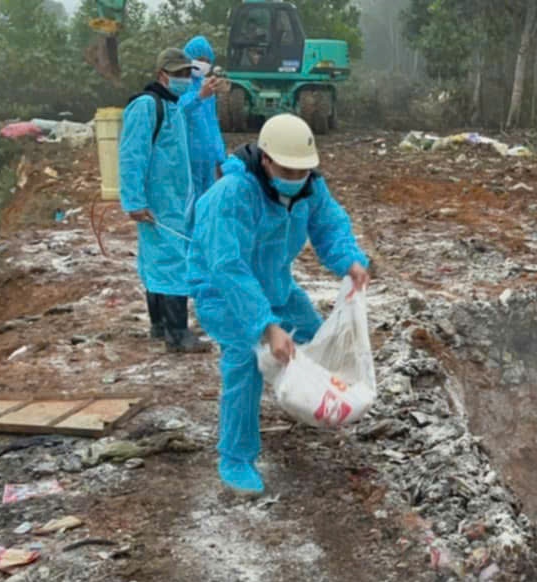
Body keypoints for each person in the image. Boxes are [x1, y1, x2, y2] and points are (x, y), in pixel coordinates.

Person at [189, 114, 370, 494]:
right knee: (246, 361)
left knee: (315, 337)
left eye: (303, 171)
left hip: (276, 283)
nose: (296, 178)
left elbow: (330, 226)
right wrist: (266, 327)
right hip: (223, 290)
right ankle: (235, 457)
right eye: (288, 171)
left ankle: (313, 399)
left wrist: (350, 261)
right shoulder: (232, 195)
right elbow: (228, 266)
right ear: (266, 160)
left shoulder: (309, 187)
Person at [118, 47, 210, 354]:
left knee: (157, 261)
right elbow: (132, 156)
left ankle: (159, 325)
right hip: (158, 202)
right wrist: (134, 200)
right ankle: (178, 333)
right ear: (162, 75)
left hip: (173, 201)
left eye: (187, 73)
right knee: (172, 262)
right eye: (178, 74)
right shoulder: (147, 106)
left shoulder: (173, 108)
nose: (184, 79)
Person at [181, 36, 228, 196]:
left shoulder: (207, 87)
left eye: (208, 61)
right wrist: (199, 96)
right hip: (186, 156)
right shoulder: (180, 83)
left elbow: (212, 124)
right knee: (188, 200)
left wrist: (220, 157)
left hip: (207, 157)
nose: (204, 64)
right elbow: (177, 111)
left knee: (207, 200)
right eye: (200, 59)